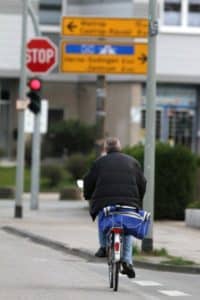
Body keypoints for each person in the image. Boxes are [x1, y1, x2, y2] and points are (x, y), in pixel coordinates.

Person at [83, 137, 146, 278]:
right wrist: (138, 199)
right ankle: (128, 261)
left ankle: (104, 247)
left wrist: (88, 196)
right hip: (129, 202)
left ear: (105, 149)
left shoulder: (99, 162)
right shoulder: (133, 162)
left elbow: (89, 181)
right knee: (127, 228)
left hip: (106, 203)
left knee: (102, 216)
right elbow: (142, 182)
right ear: (120, 147)